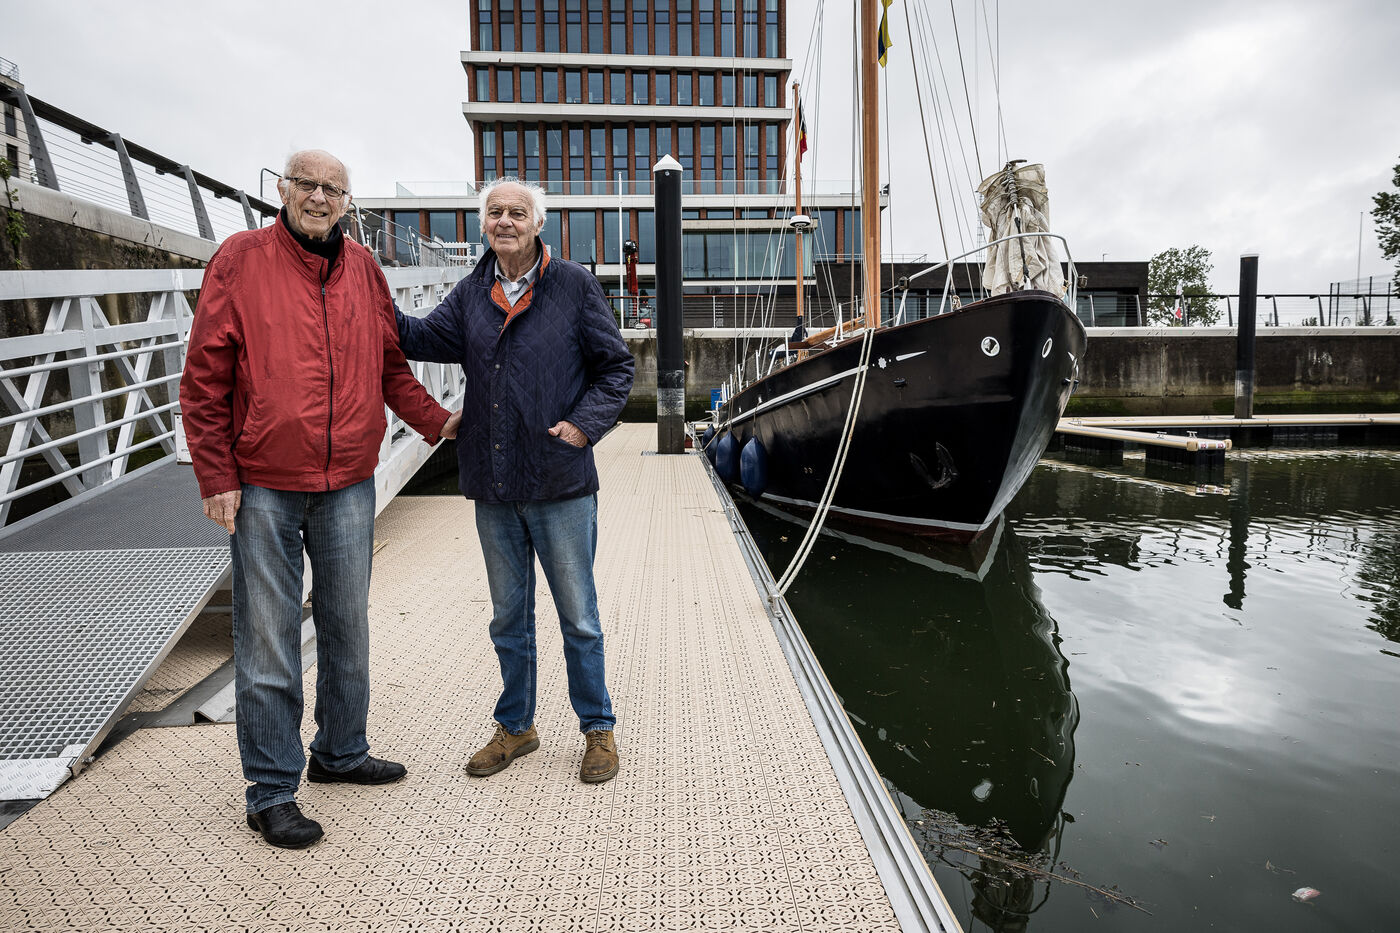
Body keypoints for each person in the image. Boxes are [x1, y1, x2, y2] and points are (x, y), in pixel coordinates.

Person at [179, 149, 462, 849]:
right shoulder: (241, 259)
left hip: (348, 482)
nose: (319, 197)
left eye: (334, 188)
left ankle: (340, 749)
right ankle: (272, 791)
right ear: (282, 189)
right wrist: (216, 475)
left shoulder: (363, 268)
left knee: (346, 625)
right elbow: (204, 377)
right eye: (307, 184)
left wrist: (437, 422)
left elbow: (391, 366)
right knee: (268, 636)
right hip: (265, 481)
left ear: (345, 201)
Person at [395, 176, 634, 784]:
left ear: (538, 224)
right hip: (494, 483)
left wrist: (583, 427)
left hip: (559, 480)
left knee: (578, 617)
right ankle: (517, 727)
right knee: (508, 617)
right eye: (495, 211)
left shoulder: (573, 285)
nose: (505, 220)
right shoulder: (472, 292)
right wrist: (367, 285)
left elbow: (616, 368)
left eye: (518, 212)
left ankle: (597, 727)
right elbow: (418, 336)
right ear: (483, 224)